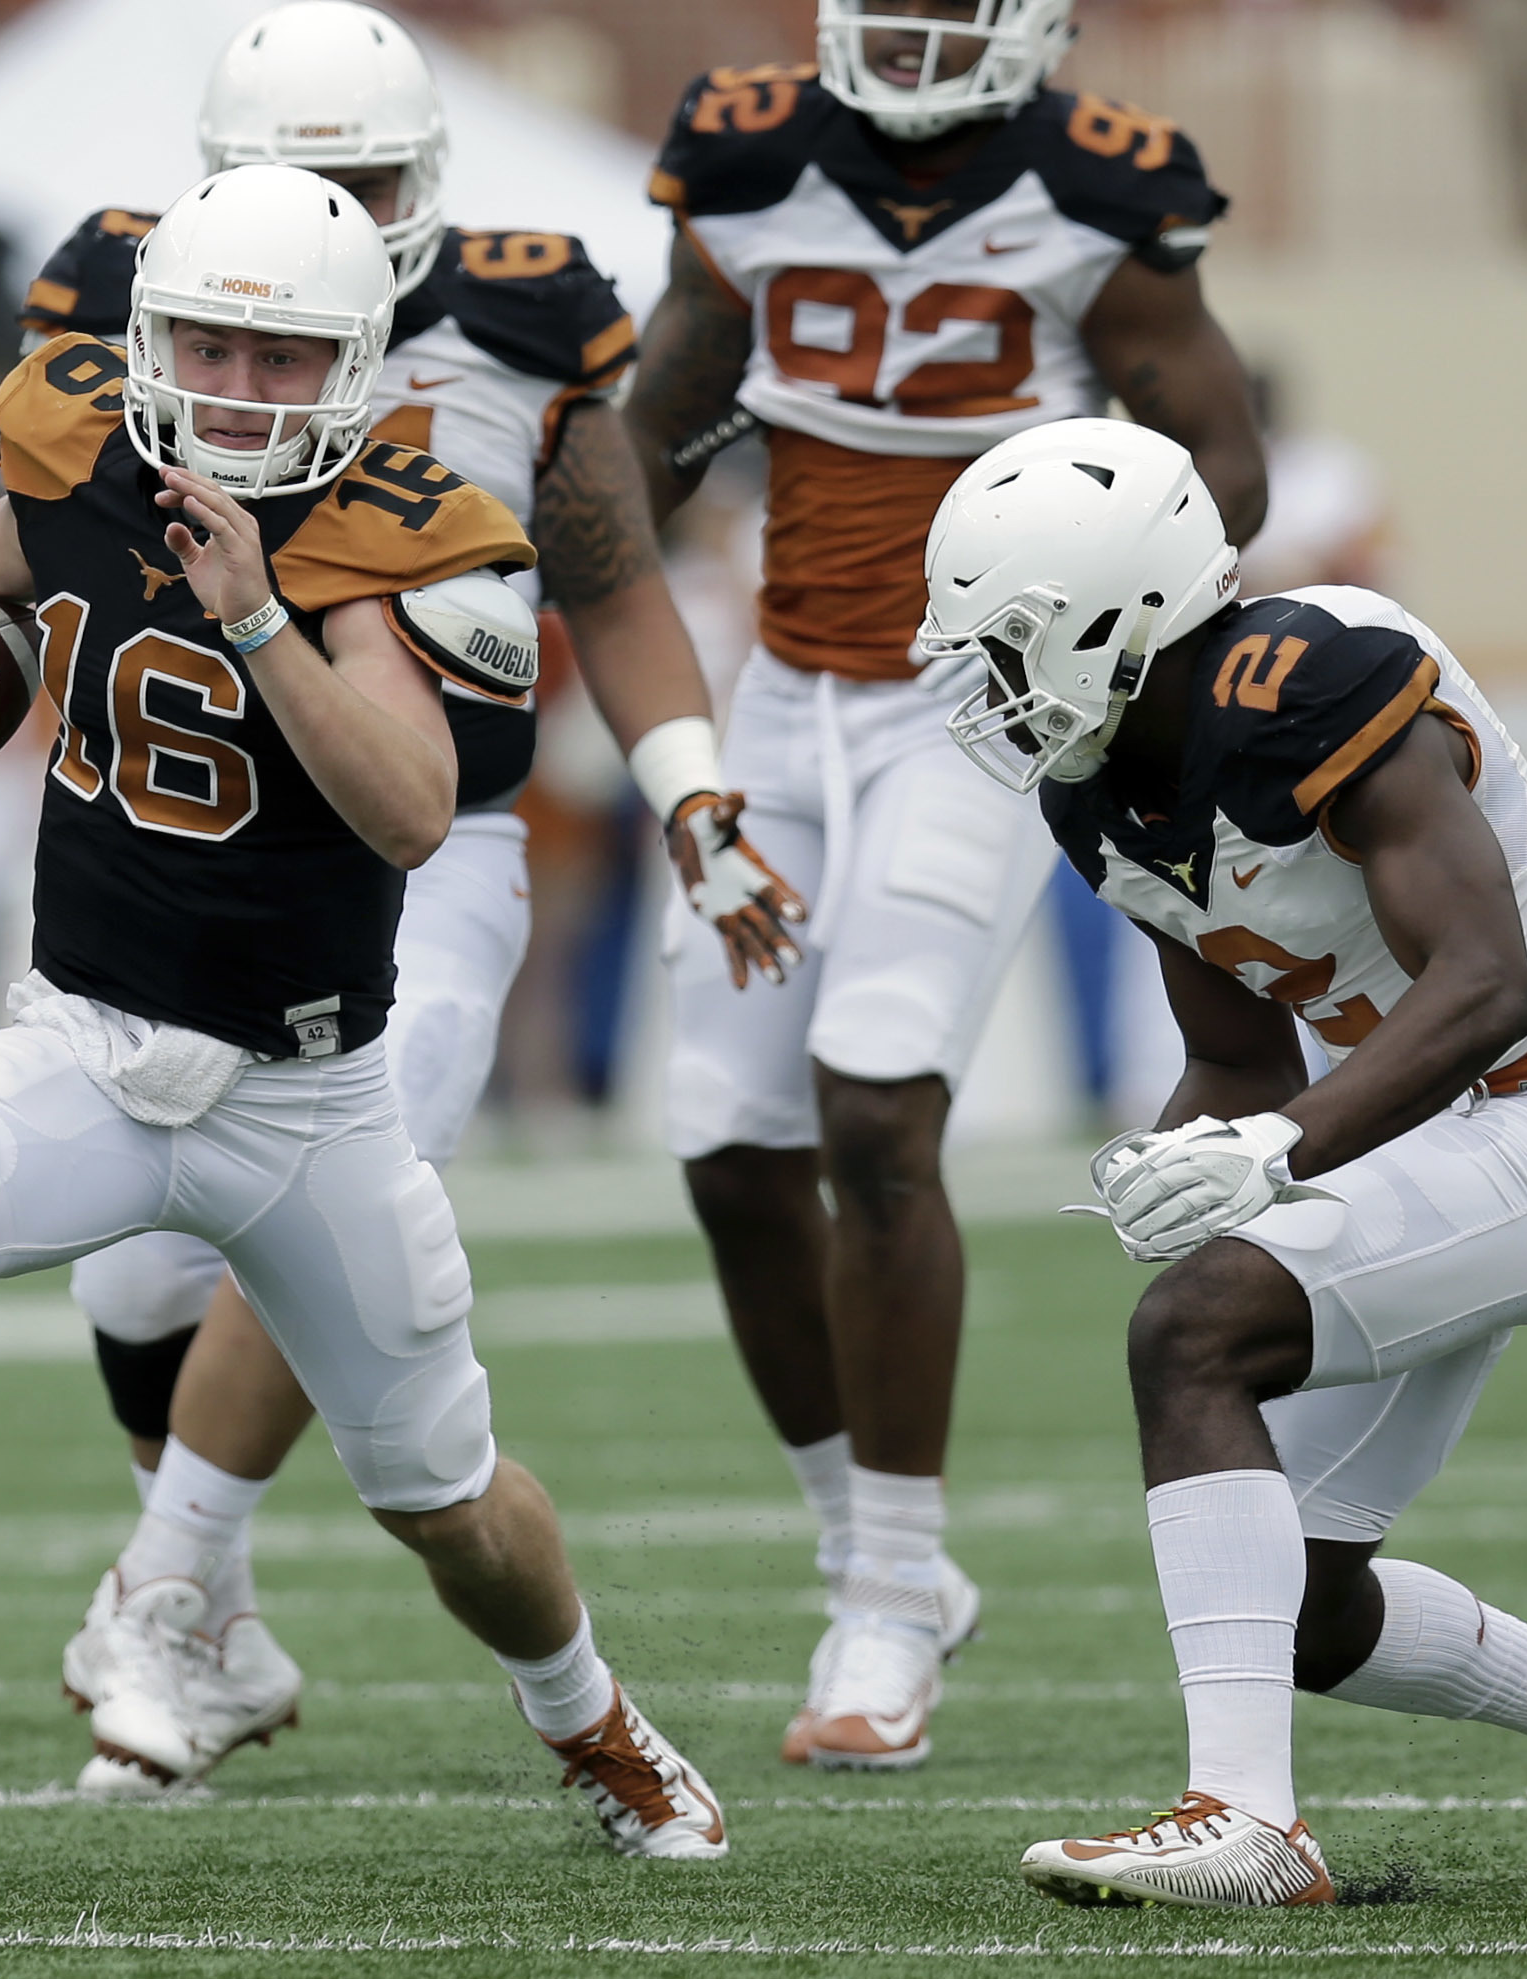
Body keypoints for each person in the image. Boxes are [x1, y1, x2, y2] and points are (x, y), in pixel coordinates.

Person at [0, 0, 786, 1797]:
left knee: (448, 1503)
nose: (239, 385)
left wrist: (263, 614)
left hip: (309, 1070)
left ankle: (575, 1716)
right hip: (95, 1037)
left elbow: (422, 805)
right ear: (149, 315)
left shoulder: (410, 516)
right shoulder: (82, 414)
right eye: (203, 345)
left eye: (282, 361)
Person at [921, 417, 1527, 1907]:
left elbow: (1480, 983)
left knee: (1191, 1335)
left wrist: (1275, 1153)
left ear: (1119, 618)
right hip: (1426, 1133)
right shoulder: (1095, 789)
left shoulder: (1314, 682)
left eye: (1012, 644)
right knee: (1293, 1603)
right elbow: (1237, 1055)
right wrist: (1183, 1153)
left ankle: (1250, 1823)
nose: (994, 686)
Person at [621, 0, 1269, 1771]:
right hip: (775, 695)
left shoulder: (1095, 187)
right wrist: (539, 536)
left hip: (970, 711)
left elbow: (1221, 470)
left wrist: (1105, 657)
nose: (906, 38)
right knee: (727, 1150)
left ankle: (888, 1591)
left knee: (873, 1111)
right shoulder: (746, 159)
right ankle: (868, 1550)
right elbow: (661, 411)